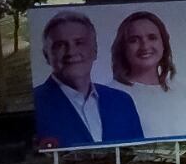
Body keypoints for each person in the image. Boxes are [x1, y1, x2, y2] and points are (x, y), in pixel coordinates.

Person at [33, 11, 144, 149]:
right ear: (46, 55)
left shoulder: (122, 102)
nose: (71, 52)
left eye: (79, 43)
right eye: (60, 45)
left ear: (95, 50)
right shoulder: (35, 104)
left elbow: (139, 157)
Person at [111, 11, 186, 140]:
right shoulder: (111, 94)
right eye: (134, 40)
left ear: (163, 43)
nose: (145, 46)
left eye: (152, 37)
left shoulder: (180, 91)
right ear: (123, 48)